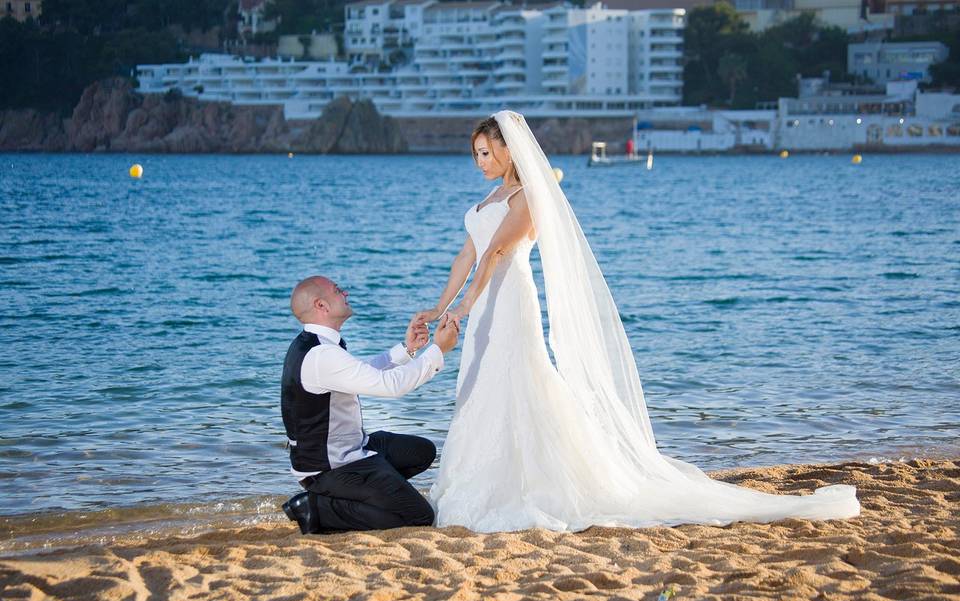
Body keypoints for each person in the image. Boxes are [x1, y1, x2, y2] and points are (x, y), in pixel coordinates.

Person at [413, 112, 860, 533]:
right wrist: (439, 308)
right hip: (485, 304)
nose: (480, 161)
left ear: (509, 151)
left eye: (486, 153)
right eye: (475, 154)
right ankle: (481, 477)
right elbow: (467, 254)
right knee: (482, 384)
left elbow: (496, 253)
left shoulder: (526, 196)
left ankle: (528, 484)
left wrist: (468, 303)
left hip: (509, 301)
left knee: (519, 381)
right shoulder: (487, 200)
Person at [280, 276, 460, 534]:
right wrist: (438, 351)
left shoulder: (319, 345)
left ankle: (374, 492)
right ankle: (319, 507)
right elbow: (390, 386)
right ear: (322, 306)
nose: (345, 292)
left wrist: (407, 349)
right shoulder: (321, 355)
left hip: (353, 450)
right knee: (419, 515)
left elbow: (362, 372)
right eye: (337, 290)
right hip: (330, 469)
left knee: (422, 452)